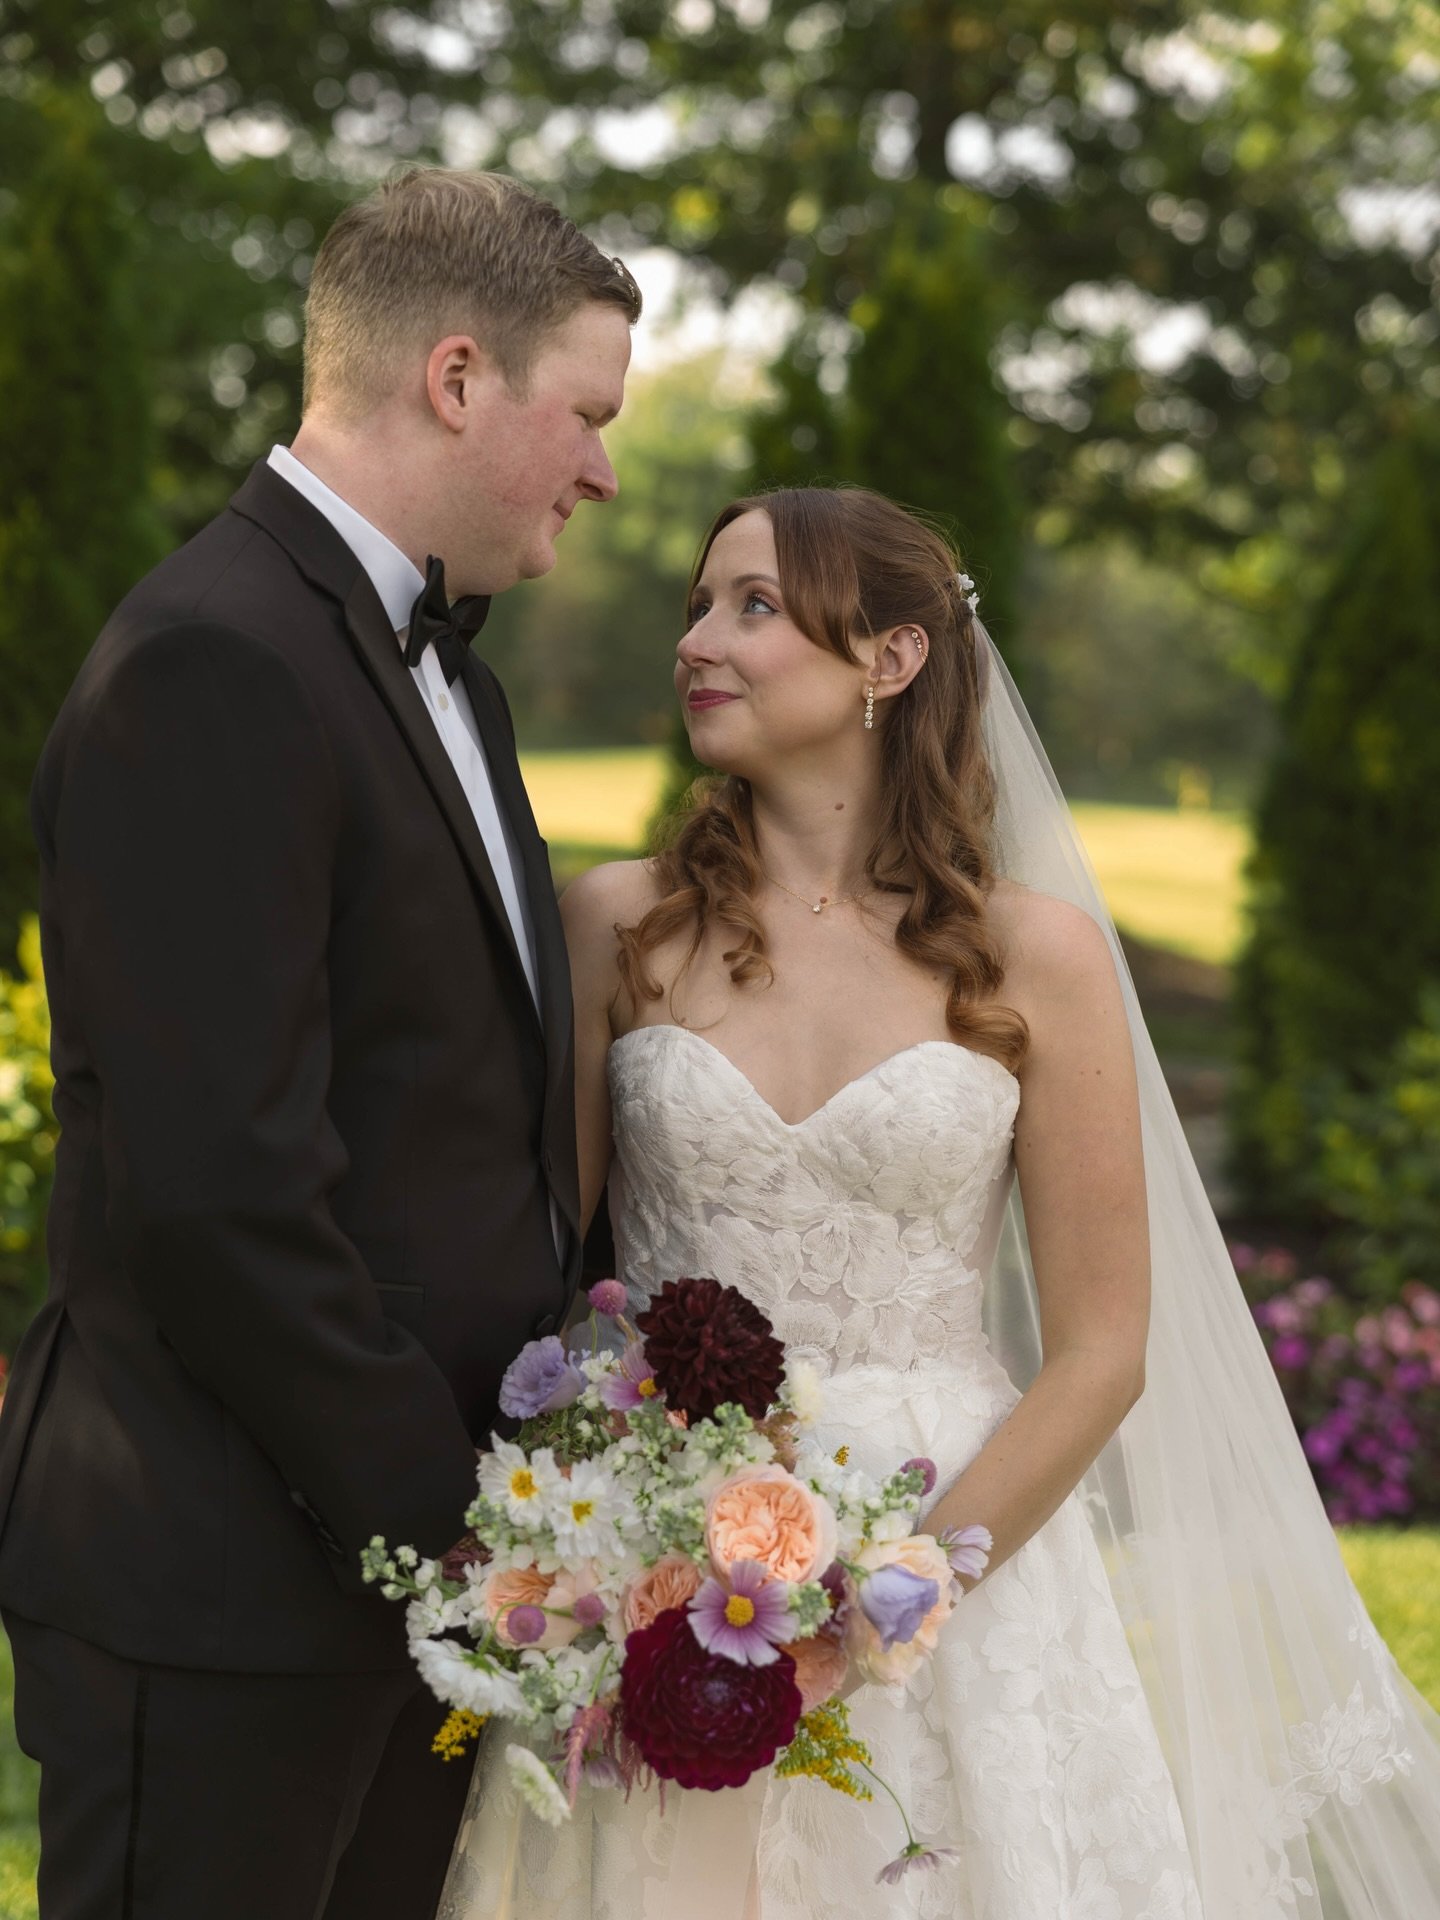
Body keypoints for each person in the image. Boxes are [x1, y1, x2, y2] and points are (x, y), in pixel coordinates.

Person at [441, 487, 1440, 1919]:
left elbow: (1103, 1349)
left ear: (891, 661)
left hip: (963, 1558)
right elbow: (548, 1271)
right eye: (698, 607)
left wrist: (894, 1598)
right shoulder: (617, 924)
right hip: (670, 1558)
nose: (698, 643)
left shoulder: (1039, 958)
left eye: (755, 608)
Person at [0, 167, 639, 1919]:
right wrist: (454, 1525)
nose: (603, 469)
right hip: (225, 1588)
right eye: (584, 413)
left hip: (392, 1588)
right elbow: (221, 1193)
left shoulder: (450, 670)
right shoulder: (214, 660)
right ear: (456, 377)